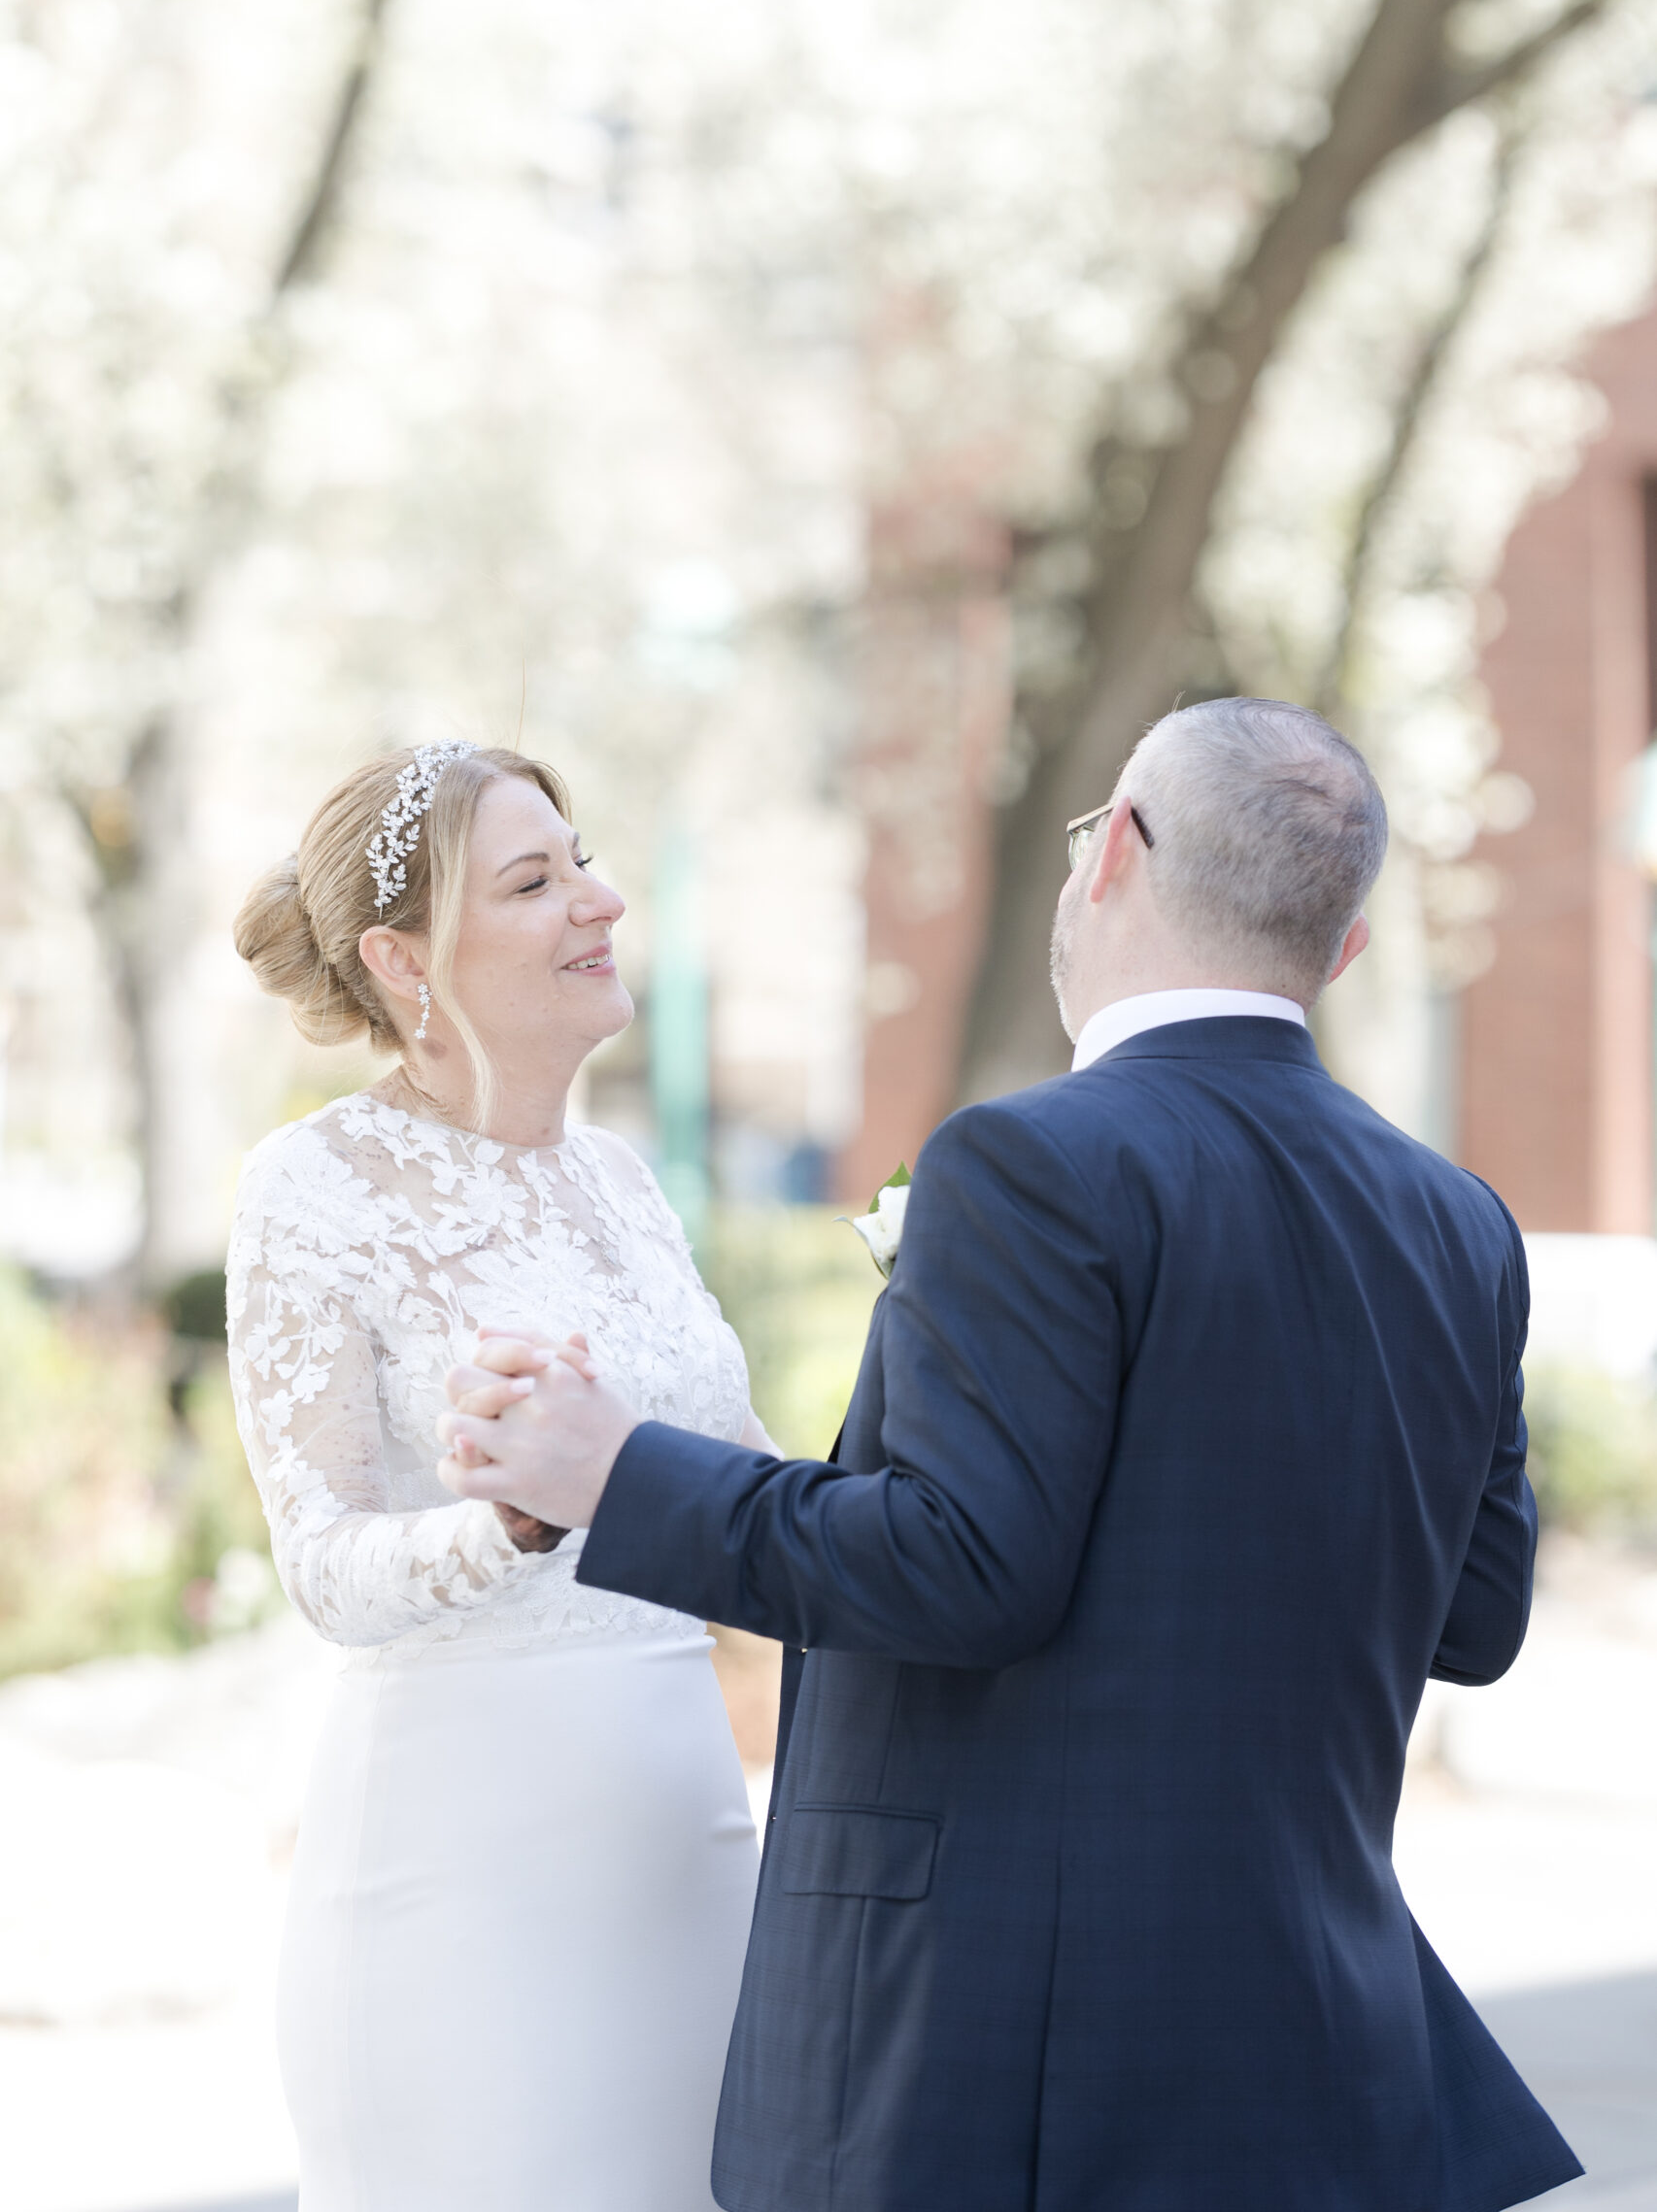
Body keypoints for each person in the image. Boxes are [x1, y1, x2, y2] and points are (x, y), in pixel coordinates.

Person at [442, 697, 1583, 2212]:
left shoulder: (1032, 1158)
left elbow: (962, 1567)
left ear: (1112, 854)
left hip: (1012, 2059)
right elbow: (1474, 1619)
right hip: (1318, 2038)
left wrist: (613, 1472)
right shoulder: (1454, 1219)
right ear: (1345, 946)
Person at [226, 740, 773, 2212]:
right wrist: (506, 1525)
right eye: (534, 882)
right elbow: (324, 1563)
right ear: (403, 960)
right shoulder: (313, 1185)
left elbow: (751, 1492)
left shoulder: (625, 1183)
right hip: (463, 1875)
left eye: (581, 862)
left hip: (686, 1850)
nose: (600, 901)